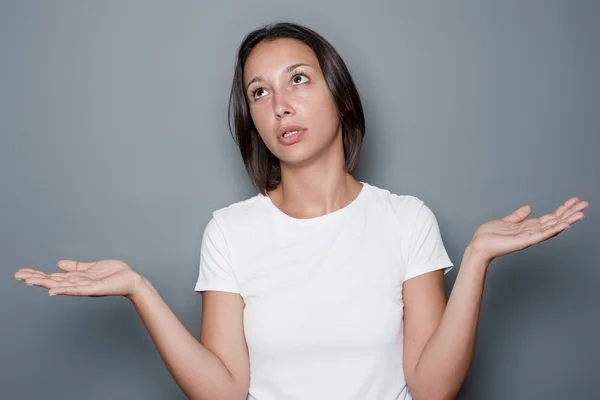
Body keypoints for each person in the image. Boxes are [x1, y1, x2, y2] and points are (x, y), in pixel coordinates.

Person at [14, 22, 588, 400]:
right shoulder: (231, 231)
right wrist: (140, 289)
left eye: (298, 79)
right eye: (259, 92)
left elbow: (432, 388)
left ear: (339, 94)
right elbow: (225, 390)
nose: (280, 104)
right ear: (253, 121)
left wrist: (478, 259)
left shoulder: (406, 220)